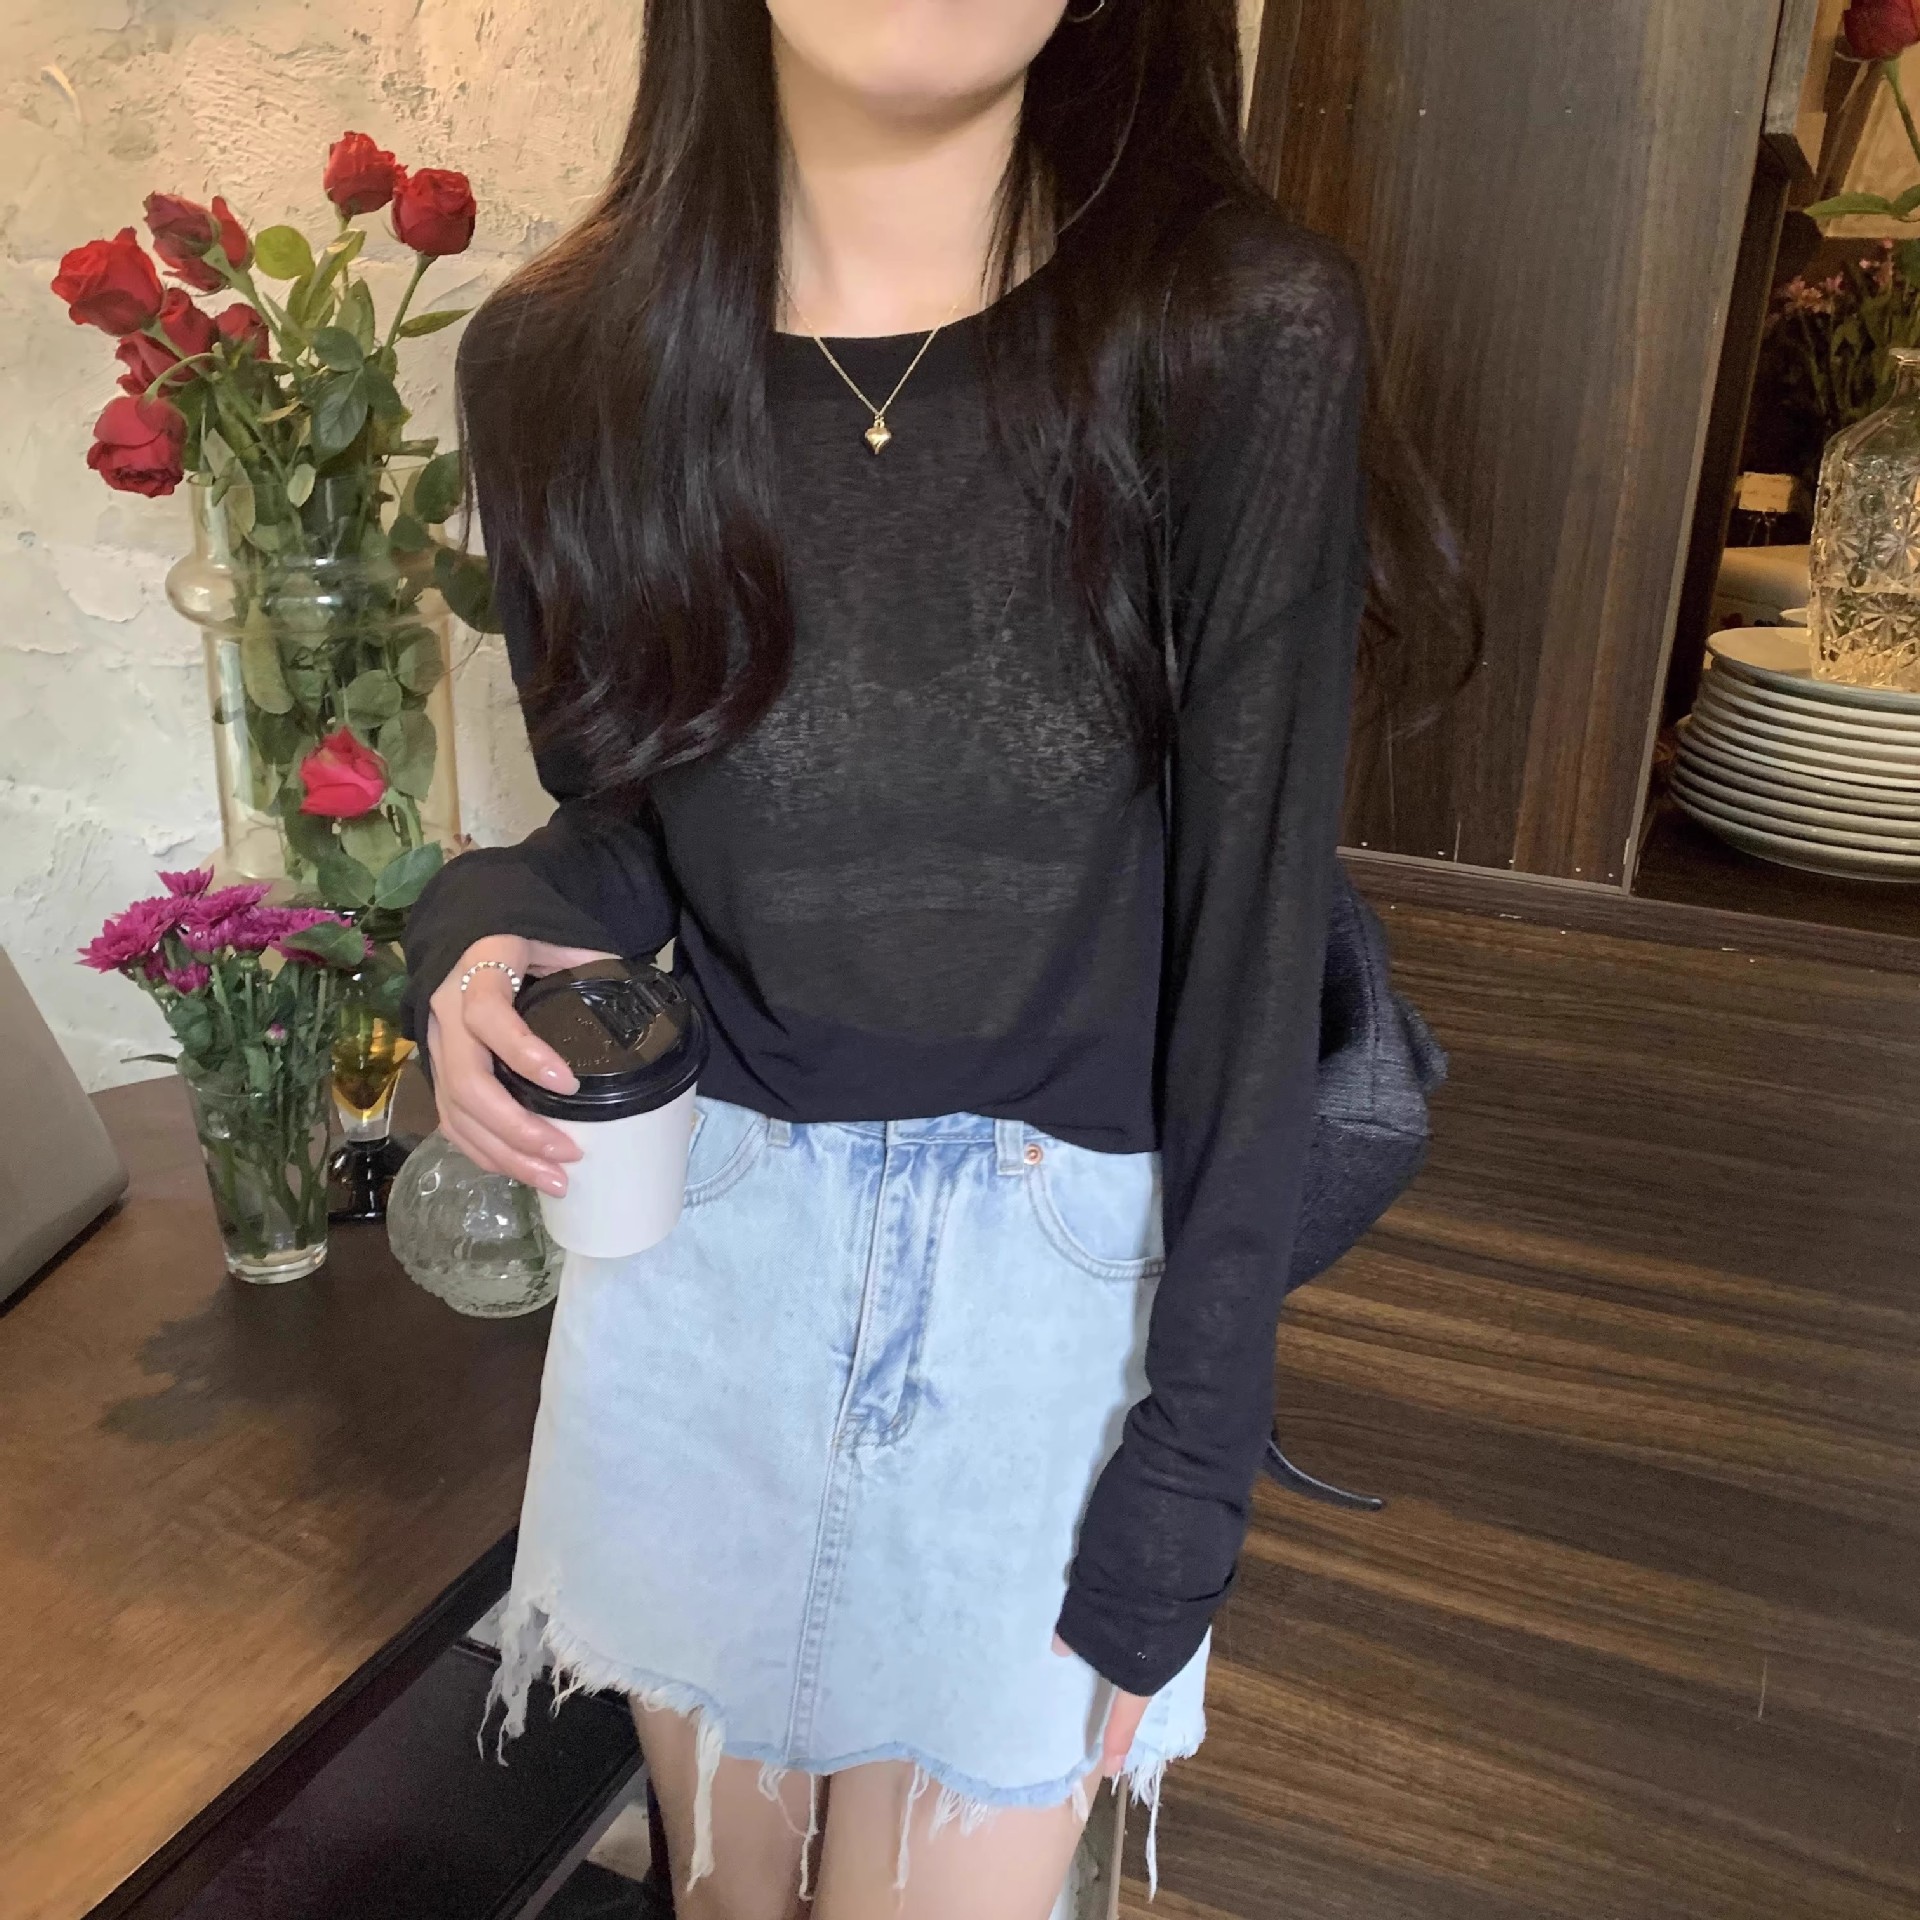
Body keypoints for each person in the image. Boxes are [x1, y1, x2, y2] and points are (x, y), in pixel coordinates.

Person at [400, 2, 1374, 1914]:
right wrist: (471, 935)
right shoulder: (559, 360)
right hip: (708, 1248)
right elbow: (638, 820)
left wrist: (1194, 1469)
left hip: (1052, 1303)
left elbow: (1252, 942)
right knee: (721, 1895)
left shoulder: (1236, 332)